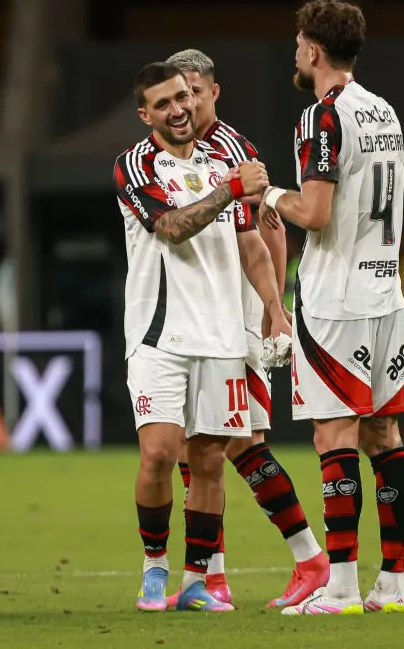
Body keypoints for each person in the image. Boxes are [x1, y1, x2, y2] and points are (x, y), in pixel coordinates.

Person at [256, 0, 404, 615]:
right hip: (386, 293)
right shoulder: (385, 111)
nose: (294, 54)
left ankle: (343, 586)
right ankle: (392, 584)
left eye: (298, 44)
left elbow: (316, 213)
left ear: (314, 51)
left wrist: (267, 191)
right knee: (385, 433)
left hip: (336, 299)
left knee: (334, 433)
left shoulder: (321, 117)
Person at [113, 62, 290, 613]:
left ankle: (195, 582)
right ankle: (153, 567)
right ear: (146, 114)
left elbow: (250, 246)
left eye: (183, 97)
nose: (179, 108)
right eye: (163, 103)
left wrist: (274, 307)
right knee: (160, 454)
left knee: (210, 462)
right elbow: (169, 228)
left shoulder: (221, 162)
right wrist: (229, 190)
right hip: (159, 335)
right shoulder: (135, 166)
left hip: (220, 339)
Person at [165, 48, 329, 608]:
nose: (186, 102)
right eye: (177, 93)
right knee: (195, 451)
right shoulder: (174, 152)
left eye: (194, 91)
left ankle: (309, 558)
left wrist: (271, 309)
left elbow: (267, 229)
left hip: (235, 320)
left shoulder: (228, 150)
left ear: (214, 92)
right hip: (198, 320)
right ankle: (211, 577)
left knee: (237, 444)